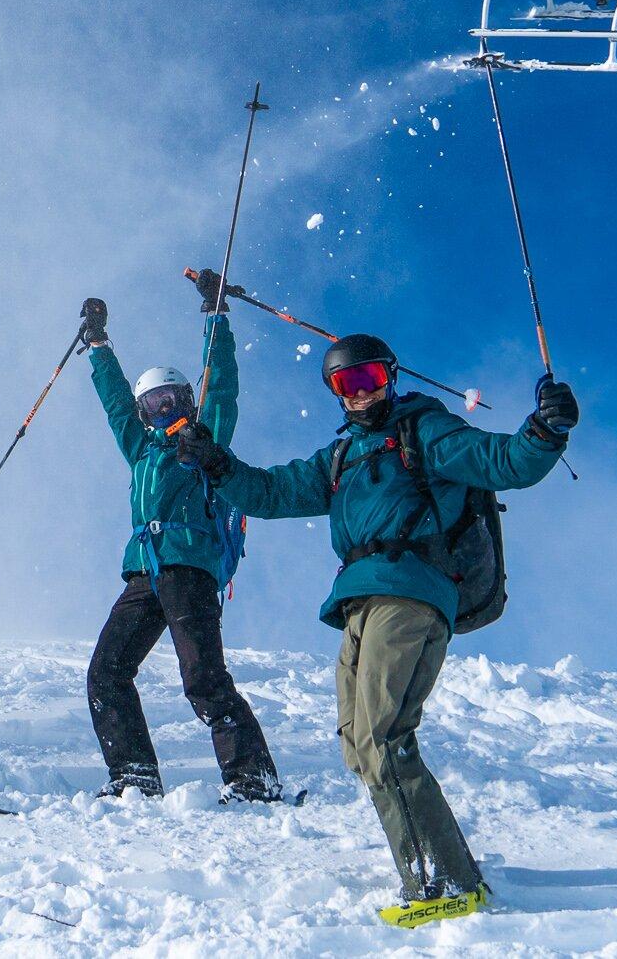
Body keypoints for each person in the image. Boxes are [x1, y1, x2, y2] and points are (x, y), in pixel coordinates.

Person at [175, 334, 577, 926]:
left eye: (369, 381)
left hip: (412, 591)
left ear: (390, 377)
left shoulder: (426, 432)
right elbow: (270, 491)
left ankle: (445, 884)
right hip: (358, 603)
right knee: (361, 745)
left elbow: (504, 459)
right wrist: (218, 464)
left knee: (384, 737)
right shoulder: (338, 460)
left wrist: (547, 428)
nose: (360, 396)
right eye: (346, 385)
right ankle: (438, 864)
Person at [78, 279, 282, 803]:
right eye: (153, 403)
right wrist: (98, 345)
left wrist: (216, 316)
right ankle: (134, 776)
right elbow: (115, 405)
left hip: (188, 567)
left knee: (203, 678)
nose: (162, 409)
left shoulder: (204, 437)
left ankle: (252, 778)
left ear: (187, 400)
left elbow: (224, 386)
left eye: (172, 398)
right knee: (107, 670)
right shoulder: (141, 449)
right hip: (145, 571)